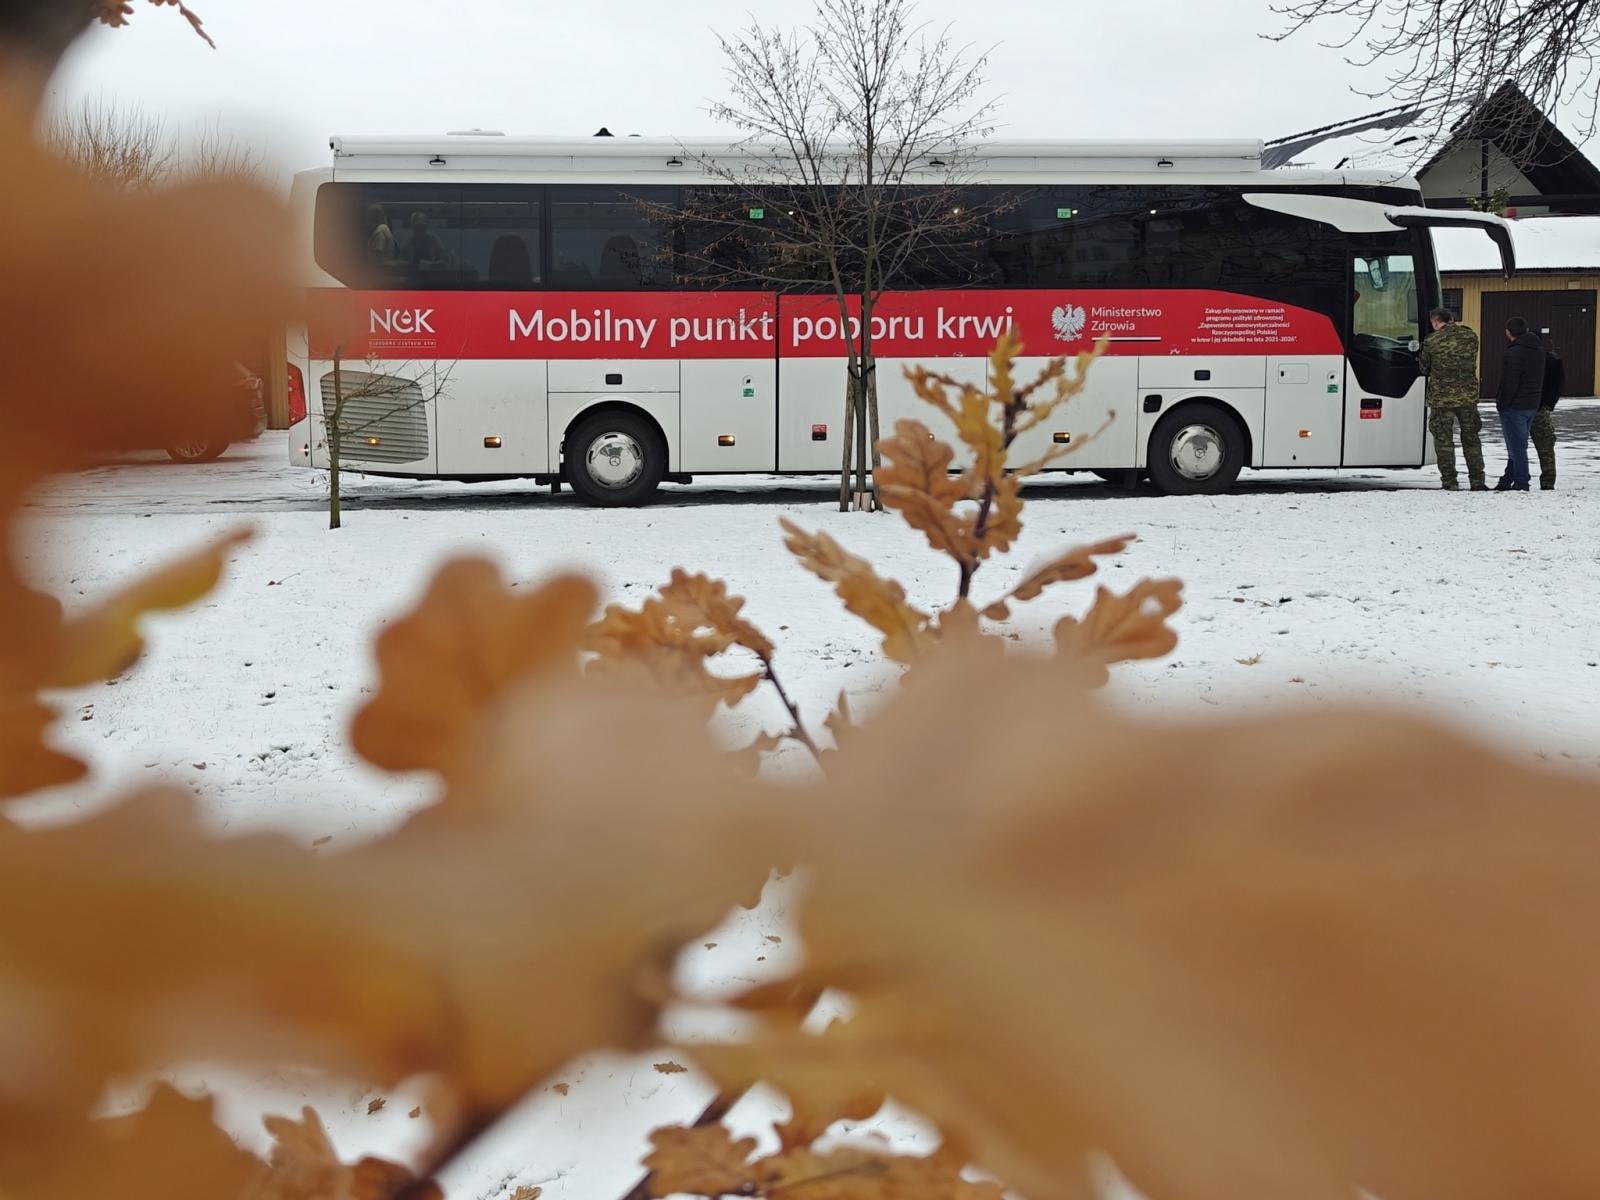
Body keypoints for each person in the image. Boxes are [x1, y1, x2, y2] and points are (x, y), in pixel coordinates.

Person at [1417, 308, 1485, 490]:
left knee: (1443, 441)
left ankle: (1450, 481)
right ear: (1452, 319)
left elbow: (1424, 368)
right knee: (1471, 439)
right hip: (1467, 397)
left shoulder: (1432, 341)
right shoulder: (1471, 336)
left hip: (1441, 399)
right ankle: (1477, 481)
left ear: (1436, 322)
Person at [1493, 316, 1545, 491]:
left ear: (1508, 332)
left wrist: (1502, 403)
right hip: (1532, 403)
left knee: (1516, 447)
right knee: (1519, 444)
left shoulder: (1513, 353)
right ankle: (1507, 479)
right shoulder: (1538, 350)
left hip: (1515, 406)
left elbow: (1510, 383)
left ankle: (1522, 481)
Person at [1533, 337, 1564, 490]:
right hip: (1541, 407)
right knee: (1546, 446)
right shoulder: (1554, 361)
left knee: (1516, 447)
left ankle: (1518, 478)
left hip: (1524, 406)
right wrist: (1549, 403)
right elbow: (1559, 383)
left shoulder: (1523, 357)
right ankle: (1548, 480)